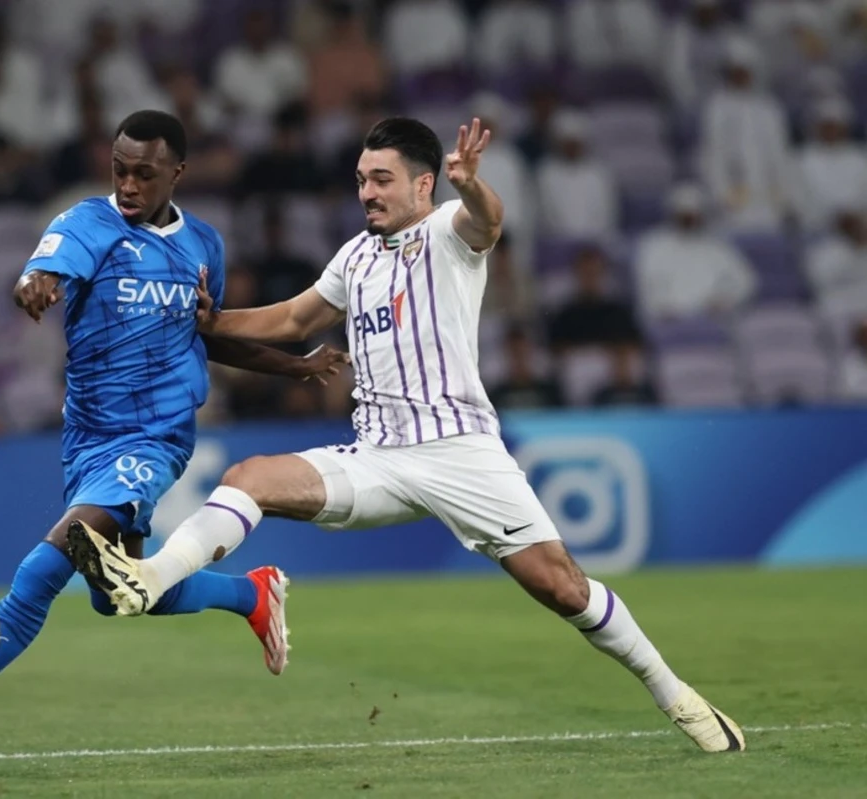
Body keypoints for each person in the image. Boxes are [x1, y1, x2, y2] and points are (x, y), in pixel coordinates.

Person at [69, 117, 746, 754]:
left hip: (461, 451)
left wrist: (472, 181)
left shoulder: (450, 229)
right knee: (249, 478)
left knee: (563, 588)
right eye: (362, 178)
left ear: (424, 183)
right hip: (378, 456)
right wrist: (211, 321)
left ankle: (676, 695)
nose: (367, 191)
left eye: (382, 179)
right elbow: (293, 320)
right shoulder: (355, 257)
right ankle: (148, 578)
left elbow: (490, 220)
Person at [0, 111, 347, 750]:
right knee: (116, 592)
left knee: (42, 574)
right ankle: (250, 595)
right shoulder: (87, 223)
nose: (127, 184)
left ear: (176, 173)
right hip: (88, 438)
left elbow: (207, 334)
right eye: (119, 169)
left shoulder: (204, 244)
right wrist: (34, 285)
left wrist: (297, 366)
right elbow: (44, 272)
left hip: (155, 439)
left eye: (144, 174)